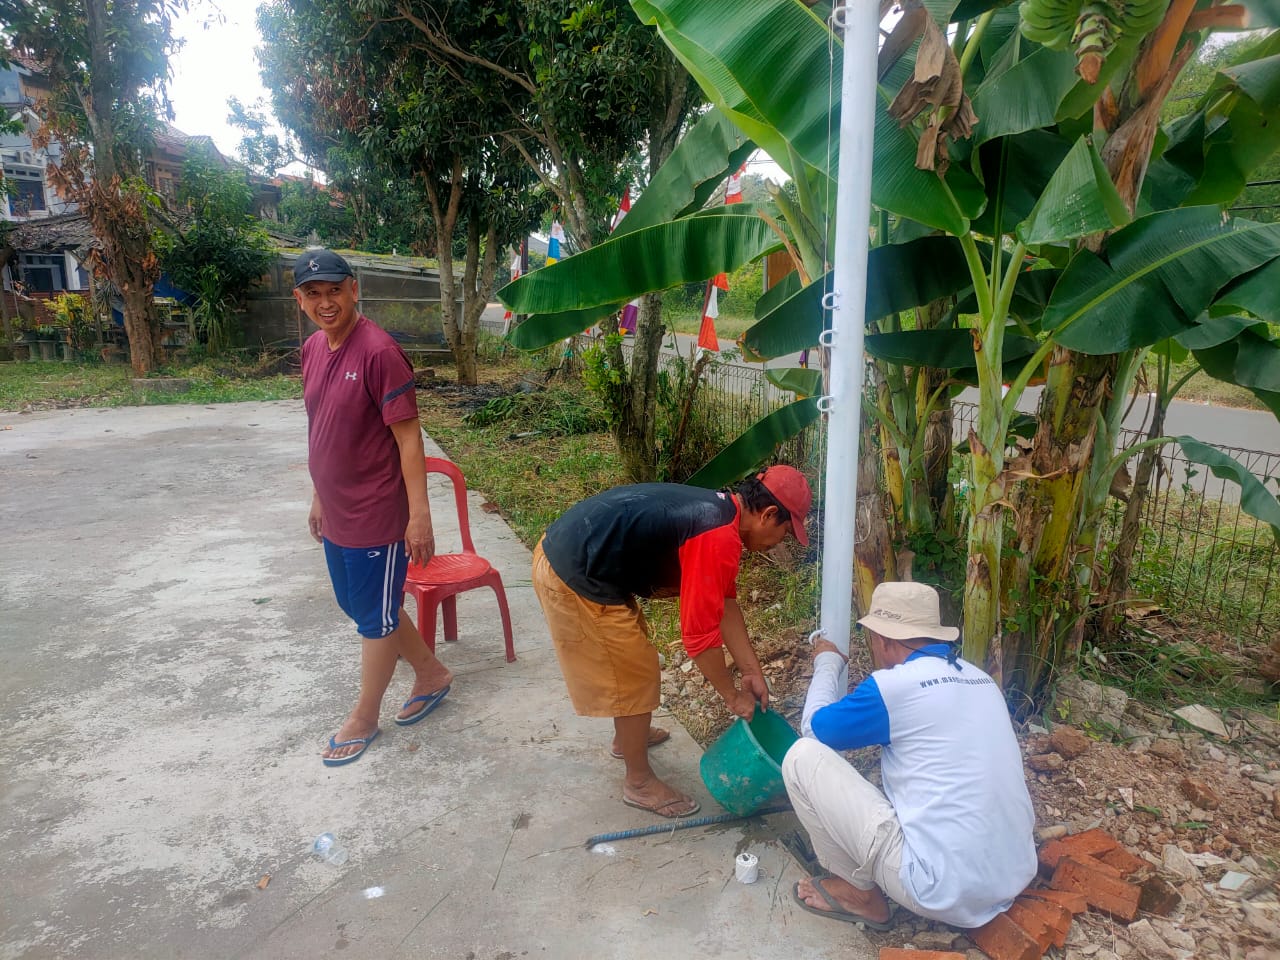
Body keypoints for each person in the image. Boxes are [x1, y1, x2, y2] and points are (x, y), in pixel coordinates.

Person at [531, 467, 812, 819]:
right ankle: (639, 783)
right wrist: (732, 695)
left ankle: (627, 738)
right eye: (784, 532)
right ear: (769, 514)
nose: (779, 542)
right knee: (632, 673)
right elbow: (699, 637)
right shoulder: (717, 535)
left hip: (589, 561)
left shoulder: (724, 517)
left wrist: (751, 671)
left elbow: (724, 603)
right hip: (572, 571)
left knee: (630, 659)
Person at [784, 581, 1036, 930]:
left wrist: (827, 663)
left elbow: (814, 728)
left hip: (941, 889)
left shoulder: (893, 686)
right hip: (1014, 874)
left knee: (800, 757)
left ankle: (860, 896)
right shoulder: (982, 680)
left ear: (884, 640)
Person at [297, 249, 453, 767]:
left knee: (374, 620)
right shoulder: (314, 349)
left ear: (354, 290)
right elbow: (322, 427)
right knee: (362, 607)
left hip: (377, 512)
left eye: (334, 290)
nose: (326, 302)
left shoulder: (379, 352)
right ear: (300, 299)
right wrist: (320, 493)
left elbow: (409, 440)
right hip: (337, 508)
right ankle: (431, 672)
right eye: (314, 294)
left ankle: (364, 717)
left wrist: (419, 514)